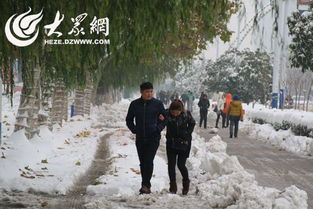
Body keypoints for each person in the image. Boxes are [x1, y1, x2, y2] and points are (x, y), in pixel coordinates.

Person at [126, 82, 166, 194]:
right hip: (140, 138)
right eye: (147, 92)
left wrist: (158, 128)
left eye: (151, 92)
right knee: (143, 162)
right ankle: (145, 184)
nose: (149, 94)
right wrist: (134, 129)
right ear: (141, 92)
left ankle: (146, 185)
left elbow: (165, 118)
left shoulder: (157, 104)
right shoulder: (134, 104)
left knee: (148, 160)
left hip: (153, 138)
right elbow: (129, 119)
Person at [160, 99, 195, 195]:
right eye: (173, 112)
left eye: (177, 112)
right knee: (171, 165)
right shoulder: (166, 114)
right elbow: (161, 123)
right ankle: (173, 186)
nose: (175, 114)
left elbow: (192, 123)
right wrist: (161, 119)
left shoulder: (186, 114)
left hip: (184, 143)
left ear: (181, 110)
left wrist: (187, 133)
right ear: (170, 110)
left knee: (181, 164)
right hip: (171, 143)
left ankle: (186, 183)